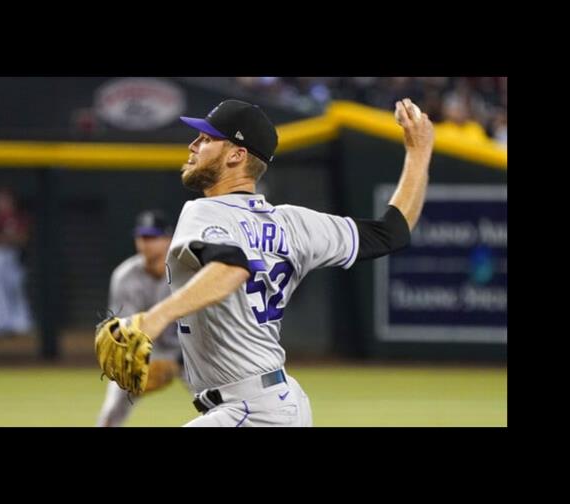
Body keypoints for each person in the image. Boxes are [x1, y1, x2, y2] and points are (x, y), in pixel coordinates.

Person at [102, 97, 433, 427]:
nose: (193, 145)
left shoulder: (203, 212)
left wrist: (153, 319)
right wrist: (419, 153)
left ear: (236, 155)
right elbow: (392, 232)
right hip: (277, 403)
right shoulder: (294, 223)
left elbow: (232, 267)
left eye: (206, 139)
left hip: (249, 409)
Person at [96, 210, 186, 427]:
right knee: (112, 408)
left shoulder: (186, 272)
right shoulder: (124, 276)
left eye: (153, 237)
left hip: (189, 352)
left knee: (219, 400)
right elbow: (126, 332)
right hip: (144, 353)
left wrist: (177, 361)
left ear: (169, 239)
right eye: (142, 237)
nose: (146, 243)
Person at [0, 188, 34, 337]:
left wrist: (4, 239)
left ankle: (21, 322)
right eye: (0, 200)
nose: (2, 203)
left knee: (16, 293)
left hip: (16, 262)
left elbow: (22, 239)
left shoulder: (19, 217)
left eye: (5, 200)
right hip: (0, 262)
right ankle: (1, 322)